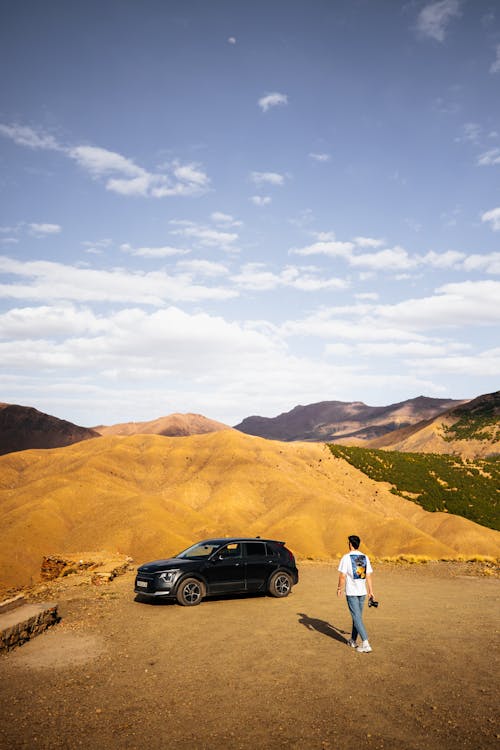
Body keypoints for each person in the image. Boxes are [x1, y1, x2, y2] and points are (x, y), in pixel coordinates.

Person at [337, 534, 374, 653]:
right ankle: (353, 640)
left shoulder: (346, 557)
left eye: (348, 542)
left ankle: (366, 643)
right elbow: (368, 576)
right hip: (362, 592)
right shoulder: (364, 557)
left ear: (350, 544)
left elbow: (342, 576)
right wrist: (371, 591)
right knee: (357, 617)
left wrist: (339, 588)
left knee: (356, 617)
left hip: (352, 593)